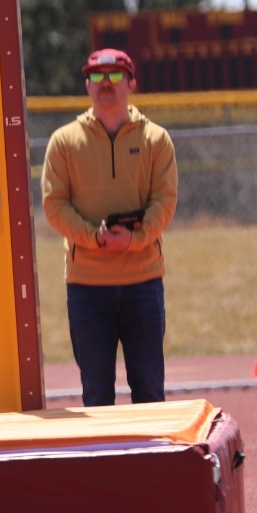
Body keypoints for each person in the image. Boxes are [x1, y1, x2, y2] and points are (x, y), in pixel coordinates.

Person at [40, 48, 178, 407]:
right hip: (87, 287)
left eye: (115, 76)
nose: (106, 84)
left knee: (149, 391)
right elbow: (54, 204)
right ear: (86, 85)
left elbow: (164, 201)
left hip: (143, 282)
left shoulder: (156, 140)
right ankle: (105, 465)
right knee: (96, 395)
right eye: (97, 77)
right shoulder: (64, 142)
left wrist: (137, 238)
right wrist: (93, 238)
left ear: (131, 83)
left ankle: (150, 465)